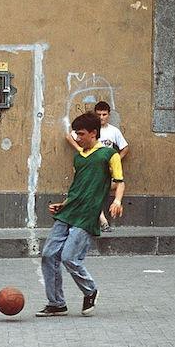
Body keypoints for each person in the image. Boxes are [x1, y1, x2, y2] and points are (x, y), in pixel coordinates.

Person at [40, 113, 124, 317]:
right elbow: (77, 187)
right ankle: (57, 303)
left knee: (69, 257)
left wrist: (117, 201)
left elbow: (120, 181)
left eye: (81, 134)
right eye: (76, 134)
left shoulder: (108, 155)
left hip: (87, 214)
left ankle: (90, 290)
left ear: (93, 133)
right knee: (48, 255)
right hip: (69, 211)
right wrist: (63, 204)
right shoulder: (79, 158)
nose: (77, 138)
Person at [66, 101, 128, 232]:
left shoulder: (113, 131)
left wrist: (113, 161)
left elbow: (125, 147)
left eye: (104, 114)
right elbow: (69, 135)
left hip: (105, 170)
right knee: (93, 190)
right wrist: (80, 150)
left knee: (104, 189)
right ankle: (102, 220)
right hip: (89, 168)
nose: (101, 117)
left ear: (108, 115)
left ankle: (97, 218)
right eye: (99, 114)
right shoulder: (87, 130)